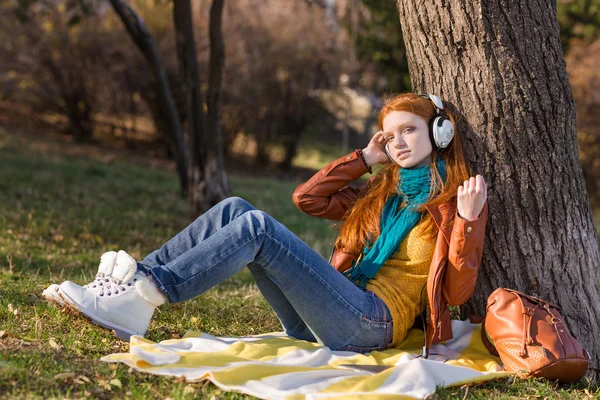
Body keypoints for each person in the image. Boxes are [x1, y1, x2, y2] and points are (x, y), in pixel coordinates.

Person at [43, 93, 488, 355]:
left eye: (409, 130)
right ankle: (134, 283)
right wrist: (366, 159)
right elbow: (308, 199)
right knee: (235, 207)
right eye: (390, 136)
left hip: (370, 324)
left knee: (256, 228)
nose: (398, 142)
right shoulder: (380, 192)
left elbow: (456, 293)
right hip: (332, 312)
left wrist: (468, 223)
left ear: (440, 132)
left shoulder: (455, 200)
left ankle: (145, 298)